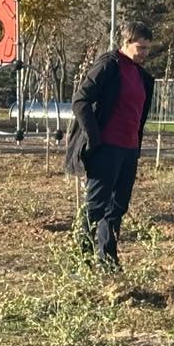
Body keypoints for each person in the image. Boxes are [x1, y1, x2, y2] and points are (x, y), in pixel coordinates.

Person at [64, 21, 155, 268]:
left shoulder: (141, 75)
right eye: (141, 47)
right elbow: (80, 101)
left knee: (116, 207)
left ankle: (107, 260)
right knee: (96, 206)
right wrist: (94, 138)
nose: (145, 53)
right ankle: (80, 260)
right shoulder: (108, 66)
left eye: (148, 48)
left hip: (128, 149)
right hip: (107, 147)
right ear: (125, 43)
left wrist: (136, 145)